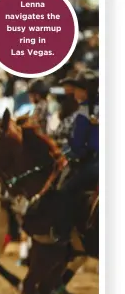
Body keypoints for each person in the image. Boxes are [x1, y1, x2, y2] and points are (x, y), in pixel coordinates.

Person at [51, 69, 99, 244]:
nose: (74, 92)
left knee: (65, 190)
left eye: (78, 88)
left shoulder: (85, 111)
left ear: (86, 90)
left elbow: (78, 145)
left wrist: (67, 154)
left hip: (94, 162)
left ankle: (63, 233)